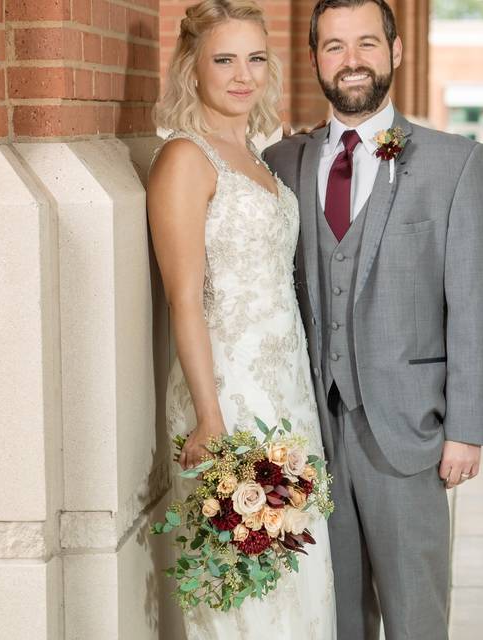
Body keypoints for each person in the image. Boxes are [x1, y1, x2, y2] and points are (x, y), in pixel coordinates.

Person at [263, 0, 483, 638]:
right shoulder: (283, 163)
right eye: (335, 46)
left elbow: (477, 304)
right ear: (315, 58)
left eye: (367, 44)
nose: (352, 61)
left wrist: (468, 428)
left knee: (415, 611)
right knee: (333, 612)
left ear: (396, 53)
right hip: (310, 433)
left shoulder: (456, 164)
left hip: (409, 430)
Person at [146, 0, 336, 637]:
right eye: (224, 59)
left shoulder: (258, 155)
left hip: (287, 397)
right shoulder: (185, 160)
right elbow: (184, 299)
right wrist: (210, 416)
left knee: (296, 571)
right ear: (191, 68)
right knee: (243, 589)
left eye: (255, 58)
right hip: (226, 393)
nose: (242, 74)